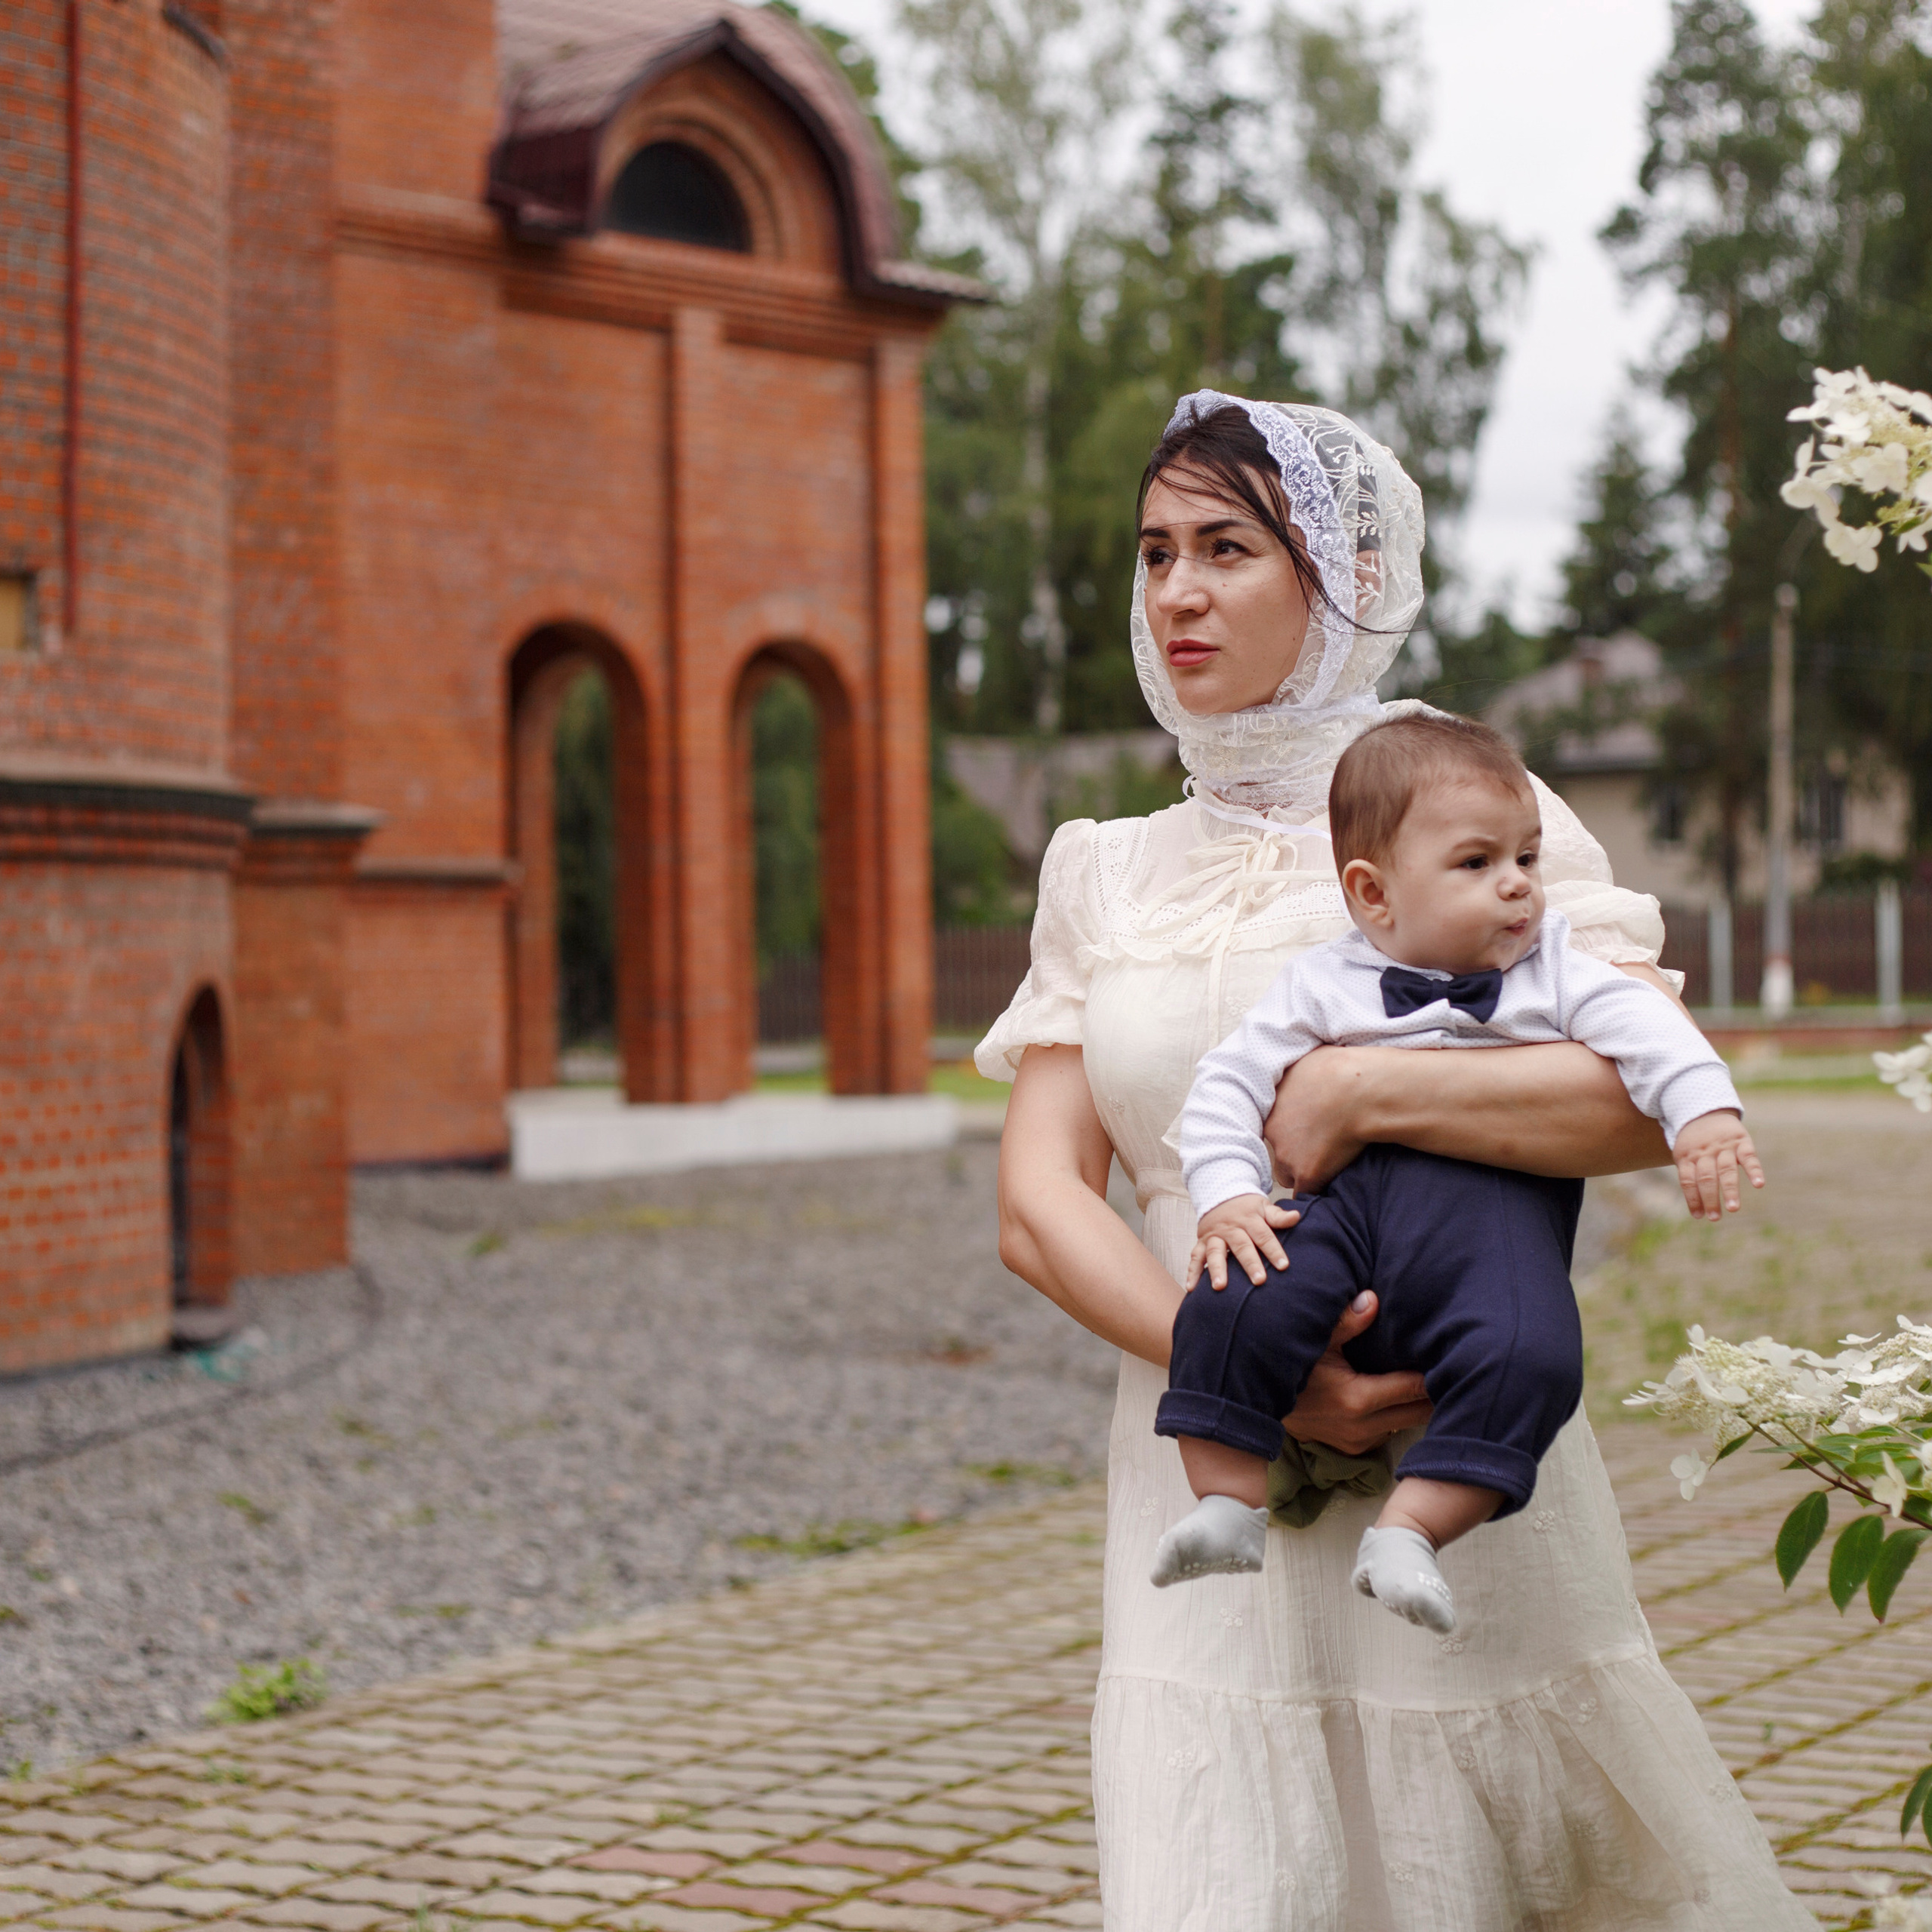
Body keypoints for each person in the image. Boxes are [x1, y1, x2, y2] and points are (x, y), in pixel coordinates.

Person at [977, 391, 1814, 1925]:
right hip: (1199, 1453)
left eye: (1225, 546)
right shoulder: (1103, 864)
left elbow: (1630, 1100)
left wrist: (1363, 1088)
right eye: (1154, 550)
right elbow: (1040, 1204)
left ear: (1339, 578)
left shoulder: (1477, 808)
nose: (1174, 591)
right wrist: (1250, 1369)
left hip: (1458, 1447)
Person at [1152, 710, 1764, 1626]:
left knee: (1534, 1353)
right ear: (1373, 893)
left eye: (1526, 859)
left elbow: (1651, 1036)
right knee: (1233, 1294)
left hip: (1496, 1220)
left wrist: (1705, 1112)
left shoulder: (1555, 970)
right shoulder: (1322, 981)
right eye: (1478, 864)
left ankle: (1412, 1531)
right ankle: (1225, 1502)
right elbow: (1225, 1086)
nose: (1516, 886)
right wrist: (1229, 1195)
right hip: (1345, 1213)